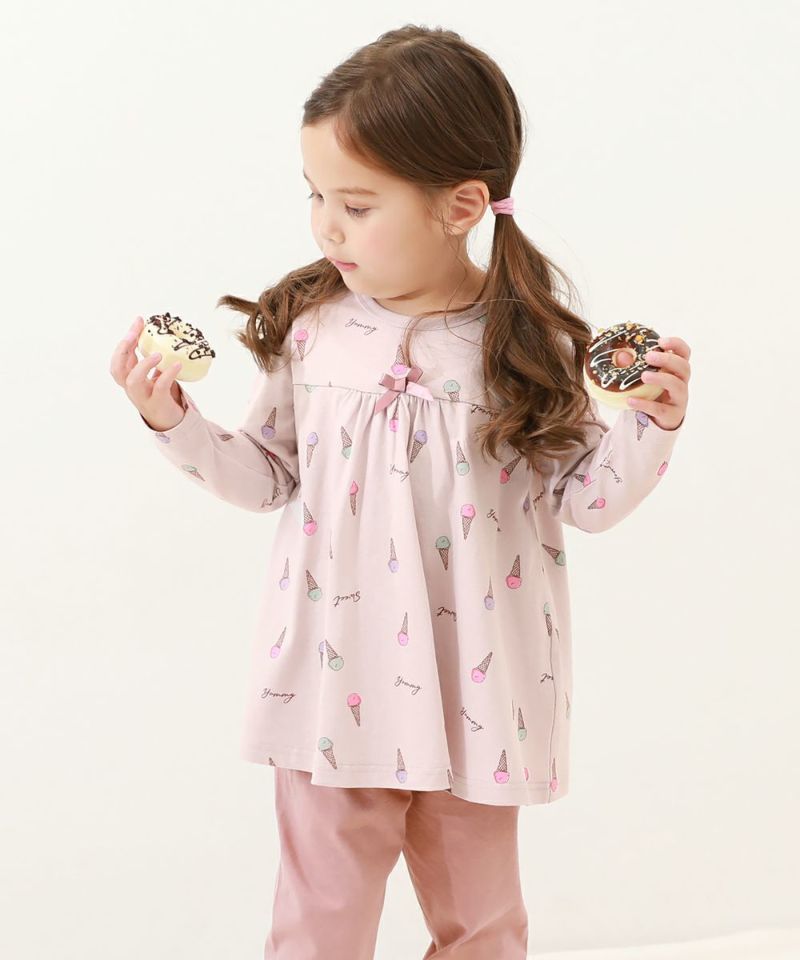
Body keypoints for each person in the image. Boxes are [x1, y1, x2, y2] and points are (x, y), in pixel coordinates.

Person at [109, 23, 690, 960]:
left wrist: (651, 424)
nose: (326, 226)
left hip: (477, 694)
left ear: (462, 205)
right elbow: (268, 477)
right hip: (334, 683)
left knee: (482, 926)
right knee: (320, 923)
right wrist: (172, 419)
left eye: (356, 203)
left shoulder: (527, 343)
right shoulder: (313, 328)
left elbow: (587, 501)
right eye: (315, 197)